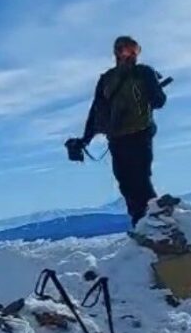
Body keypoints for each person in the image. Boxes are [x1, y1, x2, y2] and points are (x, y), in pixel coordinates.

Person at [69, 36, 168, 226]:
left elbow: (159, 102)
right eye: (126, 50)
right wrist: (85, 140)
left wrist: (151, 86)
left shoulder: (143, 73)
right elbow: (96, 110)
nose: (131, 55)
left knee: (139, 180)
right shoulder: (107, 79)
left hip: (139, 135)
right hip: (118, 139)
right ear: (117, 52)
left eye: (134, 50)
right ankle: (143, 225)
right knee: (127, 184)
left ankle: (157, 224)